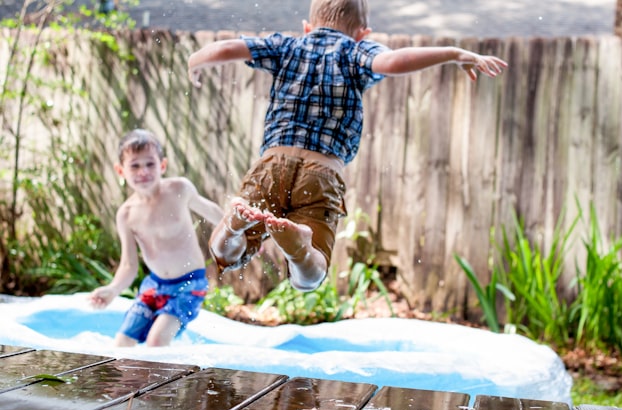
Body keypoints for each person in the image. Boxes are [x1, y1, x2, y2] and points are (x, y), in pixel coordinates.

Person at [187, 0, 508, 293]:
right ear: (362, 33)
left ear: (307, 27)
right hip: (323, 173)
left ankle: (232, 226)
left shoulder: (286, 46)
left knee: (227, 255)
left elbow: (229, 47)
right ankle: (299, 250)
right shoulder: (356, 52)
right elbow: (395, 61)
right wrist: (454, 53)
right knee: (310, 276)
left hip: (272, 164)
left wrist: (195, 61)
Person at [88, 129, 224, 347]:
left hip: (190, 283)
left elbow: (213, 212)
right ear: (120, 170)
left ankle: (168, 380)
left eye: (150, 164)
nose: (143, 171)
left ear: (162, 165)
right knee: (122, 343)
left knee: (156, 341)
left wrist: (243, 234)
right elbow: (129, 265)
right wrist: (112, 290)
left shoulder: (179, 189)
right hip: (155, 285)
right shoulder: (126, 214)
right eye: (135, 165)